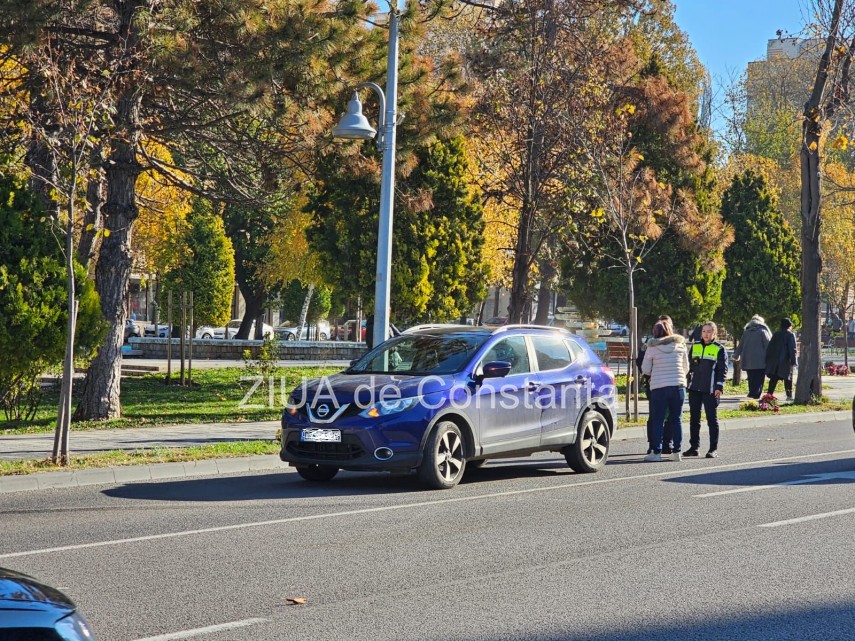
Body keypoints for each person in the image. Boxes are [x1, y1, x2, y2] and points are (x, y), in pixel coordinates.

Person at [641, 320, 689, 462]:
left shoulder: (652, 347)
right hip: (678, 387)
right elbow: (686, 367)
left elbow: (645, 369)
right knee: (676, 419)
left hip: (659, 387)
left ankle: (656, 452)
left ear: (655, 332)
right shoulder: (680, 345)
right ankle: (676, 452)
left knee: (658, 420)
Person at [685, 321, 728, 459]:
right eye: (704, 331)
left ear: (714, 333)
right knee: (694, 419)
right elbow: (689, 366)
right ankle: (694, 447)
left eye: (709, 331)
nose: (706, 334)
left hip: (710, 390)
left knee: (712, 420)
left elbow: (722, 370)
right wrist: (687, 383)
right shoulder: (695, 346)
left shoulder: (719, 349)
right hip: (695, 388)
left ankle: (713, 449)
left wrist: (719, 387)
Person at [638, 315, 674, 454]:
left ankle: (667, 443)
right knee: (654, 416)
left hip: (669, 384)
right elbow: (640, 361)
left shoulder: (676, 343)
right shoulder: (650, 342)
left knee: (670, 416)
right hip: (654, 384)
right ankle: (653, 443)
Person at [733, 315, 771, 400]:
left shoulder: (746, 332)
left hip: (748, 360)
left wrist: (736, 355)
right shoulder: (763, 331)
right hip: (761, 360)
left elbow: (741, 345)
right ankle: (757, 393)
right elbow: (768, 344)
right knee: (759, 377)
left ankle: (751, 392)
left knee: (751, 377)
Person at [766, 317, 797, 401]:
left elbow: (770, 347)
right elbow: (792, 349)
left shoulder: (776, 334)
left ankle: (769, 394)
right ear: (789, 325)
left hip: (775, 361)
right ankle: (789, 395)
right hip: (786, 361)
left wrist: (769, 359)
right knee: (788, 379)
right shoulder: (790, 335)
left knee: (773, 379)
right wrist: (794, 361)